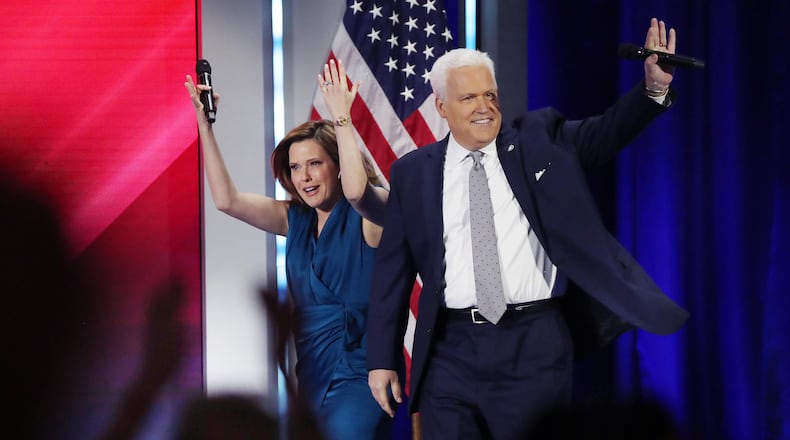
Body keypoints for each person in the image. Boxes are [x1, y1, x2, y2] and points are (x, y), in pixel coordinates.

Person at [366, 17, 690, 439]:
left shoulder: (541, 141)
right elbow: (393, 271)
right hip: (450, 348)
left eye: (490, 95)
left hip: (533, 343)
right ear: (442, 106)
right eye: (468, 98)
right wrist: (381, 359)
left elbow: (607, 132)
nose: (483, 107)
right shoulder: (413, 173)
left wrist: (652, 90)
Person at [184, 59, 391, 440]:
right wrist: (204, 126)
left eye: (315, 163)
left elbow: (359, 191)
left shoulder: (370, 214)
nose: (305, 177)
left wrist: (341, 119)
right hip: (309, 375)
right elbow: (226, 200)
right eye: (296, 168)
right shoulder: (293, 218)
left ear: (339, 165)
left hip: (364, 376)